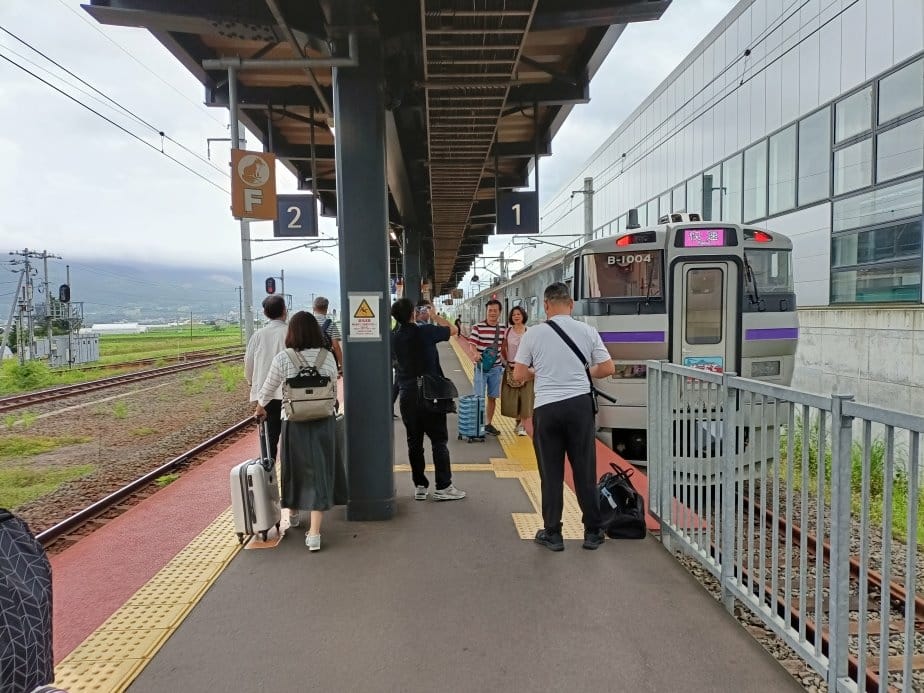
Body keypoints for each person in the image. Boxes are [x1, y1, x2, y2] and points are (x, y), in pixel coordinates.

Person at [513, 282, 615, 552]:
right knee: (584, 470)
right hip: (579, 407)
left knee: (551, 473)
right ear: (570, 304)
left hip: (547, 409)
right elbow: (607, 367)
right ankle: (593, 532)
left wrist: (539, 372)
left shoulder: (533, 334)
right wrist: (583, 373)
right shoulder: (587, 331)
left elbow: (518, 375)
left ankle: (553, 534)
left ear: (546, 305)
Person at [254, 311, 339, 551]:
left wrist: (260, 408)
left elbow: (268, 388)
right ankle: (315, 534)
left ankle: (292, 513)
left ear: (292, 333)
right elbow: (334, 385)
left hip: (293, 422)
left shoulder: (284, 358)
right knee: (319, 472)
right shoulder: (327, 357)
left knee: (294, 468)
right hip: (323, 421)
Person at [391, 297, 466, 502]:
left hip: (407, 395)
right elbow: (453, 330)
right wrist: (434, 315)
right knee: (439, 441)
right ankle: (444, 486)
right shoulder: (426, 331)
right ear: (413, 313)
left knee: (414, 443)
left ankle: (420, 486)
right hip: (430, 394)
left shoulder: (394, 338)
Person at [244, 295, 287, 461]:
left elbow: (248, 363)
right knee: (291, 437)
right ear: (284, 311)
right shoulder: (291, 332)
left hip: (265, 397)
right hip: (289, 395)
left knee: (268, 439)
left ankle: (268, 469)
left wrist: (251, 383)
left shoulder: (258, 335)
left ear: (265, 313)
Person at [468, 299, 507, 436]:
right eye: (490, 310)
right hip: (481, 368)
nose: (492, 313)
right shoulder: (477, 327)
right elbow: (472, 344)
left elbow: (505, 346)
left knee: (492, 397)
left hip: (496, 369)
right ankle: (477, 425)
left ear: (500, 312)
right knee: (479, 397)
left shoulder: (503, 329)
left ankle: (488, 424)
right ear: (486, 311)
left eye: (495, 310)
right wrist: (475, 353)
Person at [500, 305, 534, 437]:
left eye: (518, 314)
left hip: (526, 367)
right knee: (513, 398)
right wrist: (506, 362)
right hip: (511, 367)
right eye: (514, 315)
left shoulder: (529, 331)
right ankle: (517, 421)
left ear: (523, 316)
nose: (516, 316)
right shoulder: (507, 332)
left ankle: (522, 425)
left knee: (526, 397)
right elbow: (503, 347)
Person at [312, 296, 343, 377]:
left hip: (309, 360)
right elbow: (336, 346)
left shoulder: (307, 322)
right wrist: (342, 365)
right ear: (326, 309)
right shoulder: (331, 324)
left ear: (314, 308)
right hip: (327, 361)